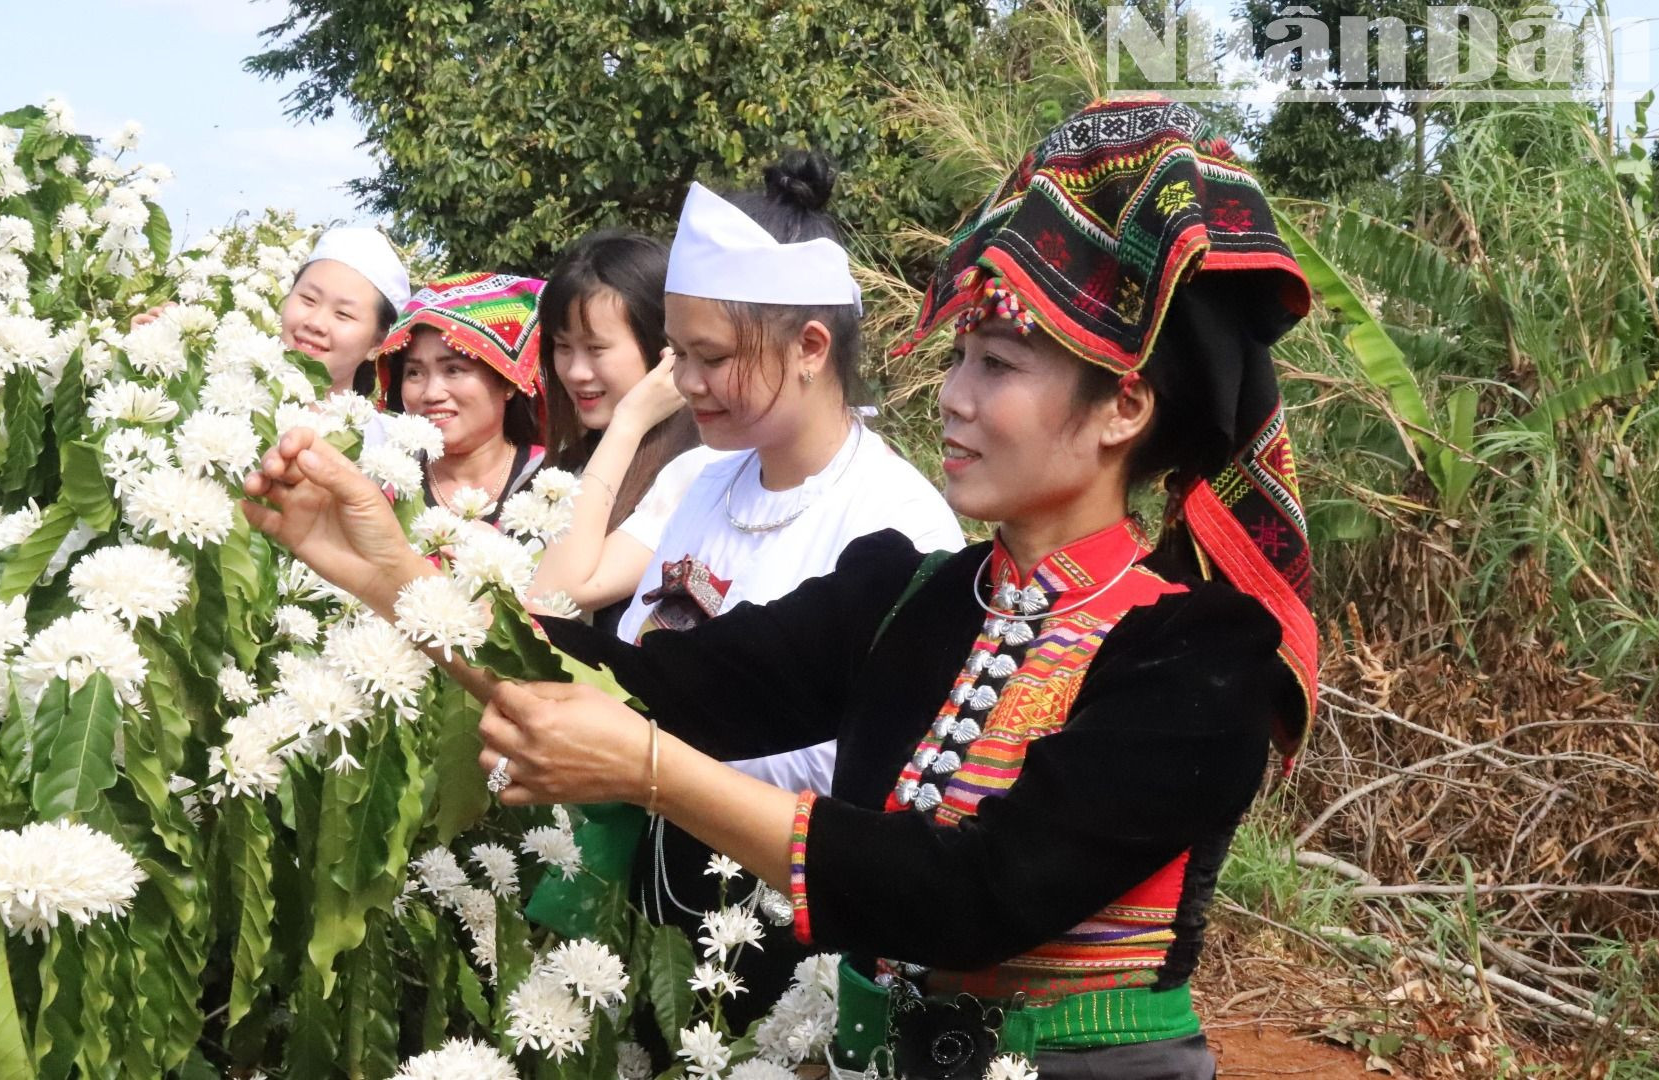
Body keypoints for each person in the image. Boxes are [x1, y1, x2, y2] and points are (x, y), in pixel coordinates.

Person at [242, 100, 1320, 1076]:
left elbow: (976, 895)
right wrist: (383, 571)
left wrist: (657, 773)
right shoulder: (913, 597)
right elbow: (640, 683)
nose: (949, 396)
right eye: (959, 360)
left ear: (1122, 408)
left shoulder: (1205, 653)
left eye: (995, 364)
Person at [248, 151, 964, 1019]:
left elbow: (862, 765)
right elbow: (579, 644)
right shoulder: (701, 480)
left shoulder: (899, 529)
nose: (684, 384)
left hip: (775, 931)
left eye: (709, 357)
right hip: (637, 899)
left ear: (811, 348)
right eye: (677, 357)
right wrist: (388, 570)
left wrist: (635, 759)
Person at [531, 229, 712, 631]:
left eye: (596, 349)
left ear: (661, 348)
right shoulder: (564, 464)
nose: (576, 372)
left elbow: (551, 597)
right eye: (563, 348)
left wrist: (629, 422)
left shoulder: (697, 472)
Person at [135, 226, 410, 404]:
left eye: (343, 314)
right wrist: (149, 356)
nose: (315, 323)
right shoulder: (221, 394)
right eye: (308, 299)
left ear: (378, 341)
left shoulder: (378, 448)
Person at [377, 273, 547, 524]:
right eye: (414, 373)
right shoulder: (382, 483)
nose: (432, 393)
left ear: (508, 382)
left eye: (453, 370)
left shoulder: (555, 482)